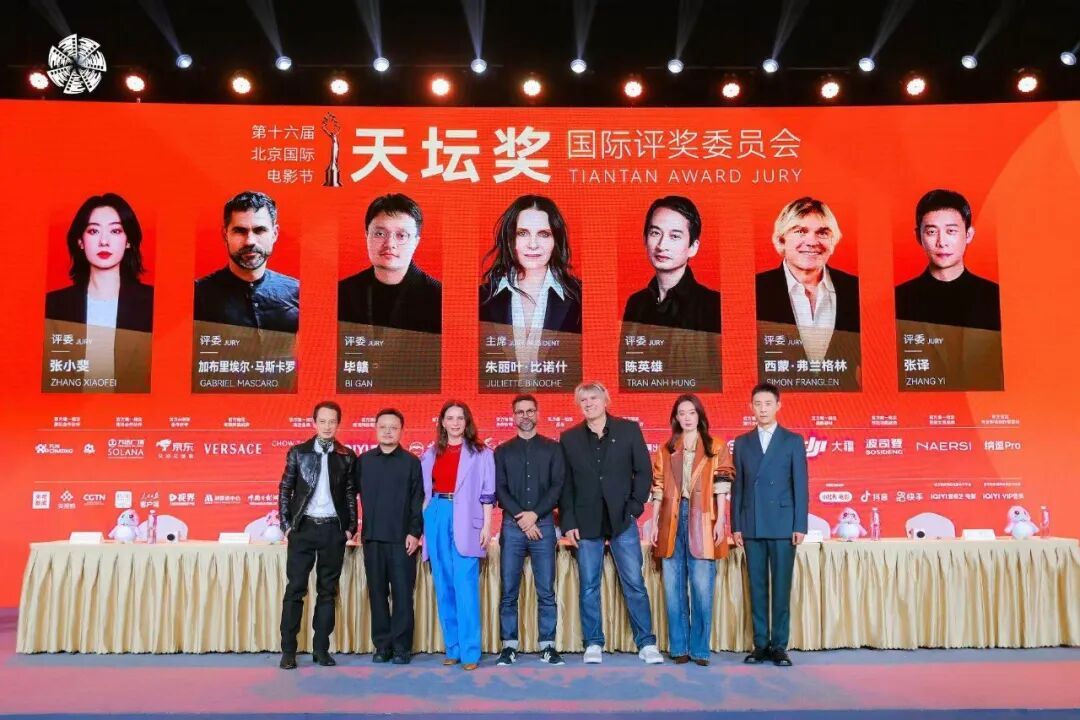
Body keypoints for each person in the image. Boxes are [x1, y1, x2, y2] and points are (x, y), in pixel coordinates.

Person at [559, 381, 663, 665]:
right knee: (589, 586)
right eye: (584, 400)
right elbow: (566, 485)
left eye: (594, 398)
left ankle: (646, 643)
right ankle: (593, 642)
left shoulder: (628, 430)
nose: (589, 404)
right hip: (586, 521)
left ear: (606, 401)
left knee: (634, 584)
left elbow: (643, 472)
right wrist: (568, 521)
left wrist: (634, 508)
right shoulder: (569, 438)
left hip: (622, 520)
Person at [648, 394, 734, 666]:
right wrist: (653, 521)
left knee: (701, 587)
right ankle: (679, 647)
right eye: (682, 413)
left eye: (691, 412)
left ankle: (700, 649)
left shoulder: (715, 446)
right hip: (670, 520)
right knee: (673, 588)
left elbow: (722, 485)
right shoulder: (666, 449)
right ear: (675, 417)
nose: (686, 417)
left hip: (703, 518)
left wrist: (720, 521)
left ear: (700, 415)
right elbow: (658, 487)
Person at [730, 383, 808, 667]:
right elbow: (738, 487)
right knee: (757, 586)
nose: (762, 409)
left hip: (784, 524)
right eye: (757, 404)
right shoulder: (742, 442)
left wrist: (800, 524)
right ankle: (760, 644)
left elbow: (800, 485)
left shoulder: (792, 441)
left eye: (767, 404)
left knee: (781, 587)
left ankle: (779, 646)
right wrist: (736, 525)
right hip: (751, 523)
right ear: (751, 407)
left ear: (778, 406)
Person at [277, 401, 358, 670]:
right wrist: (287, 525)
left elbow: (350, 494)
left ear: (338, 424)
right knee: (295, 590)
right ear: (314, 423)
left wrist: (350, 527)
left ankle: (321, 649)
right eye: (322, 421)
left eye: (332, 421)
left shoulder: (347, 456)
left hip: (333, 530)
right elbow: (285, 488)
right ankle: (288, 650)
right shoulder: (298, 453)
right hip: (303, 529)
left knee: (327, 592)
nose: (327, 426)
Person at [45, 193, 154, 390]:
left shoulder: (154, 303)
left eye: (115, 231)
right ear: (80, 241)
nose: (104, 241)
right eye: (94, 231)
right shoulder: (53, 305)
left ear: (128, 241)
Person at [420, 400, 495, 670]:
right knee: (443, 585)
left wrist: (487, 526)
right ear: (442, 422)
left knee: (465, 587)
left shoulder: (481, 453)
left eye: (459, 418)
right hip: (437, 514)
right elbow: (425, 493)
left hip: (467, 519)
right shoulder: (430, 454)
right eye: (449, 418)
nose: (454, 423)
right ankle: (453, 648)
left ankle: (471, 652)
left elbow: (488, 493)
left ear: (467, 422)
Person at [494, 394, 565, 666]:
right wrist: (523, 519)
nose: (525, 416)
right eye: (520, 412)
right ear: (513, 416)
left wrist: (534, 515)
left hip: (544, 525)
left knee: (546, 590)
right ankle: (509, 646)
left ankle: (548, 646)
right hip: (512, 527)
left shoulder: (553, 449)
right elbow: (500, 489)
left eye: (530, 411)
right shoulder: (502, 451)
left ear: (537, 414)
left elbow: (557, 487)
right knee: (509, 591)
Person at [755, 197, 859, 363]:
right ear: (782, 239)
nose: (812, 242)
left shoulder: (856, 289)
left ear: (833, 241)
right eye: (800, 231)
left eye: (822, 233)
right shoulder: (754, 290)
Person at [357, 408, 423, 665]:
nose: (388, 431)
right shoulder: (364, 461)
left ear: (401, 431)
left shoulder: (411, 462)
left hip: (402, 540)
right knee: (377, 594)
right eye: (383, 426)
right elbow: (350, 495)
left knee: (403, 595)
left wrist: (414, 532)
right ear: (375, 429)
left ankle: (402, 647)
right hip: (372, 538)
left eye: (393, 427)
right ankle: (382, 645)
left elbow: (418, 501)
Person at [895, 189, 1000, 331]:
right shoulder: (899, 299)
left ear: (968, 234)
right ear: (918, 236)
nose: (941, 242)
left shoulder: (995, 297)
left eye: (951, 231)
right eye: (932, 232)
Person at [194, 191, 299, 333]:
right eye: (240, 231)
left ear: (275, 234)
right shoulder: (196, 295)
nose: (250, 241)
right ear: (225, 235)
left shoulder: (298, 292)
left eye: (259, 230)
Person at [338, 193, 441, 334]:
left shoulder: (439, 298)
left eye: (401, 236)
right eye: (380, 234)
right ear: (367, 236)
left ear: (416, 242)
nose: (390, 244)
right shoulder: (341, 293)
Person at [623, 196, 721, 333]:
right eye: (655, 233)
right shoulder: (636, 304)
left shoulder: (714, 305)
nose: (662, 245)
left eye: (674, 236)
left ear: (693, 247)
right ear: (645, 239)